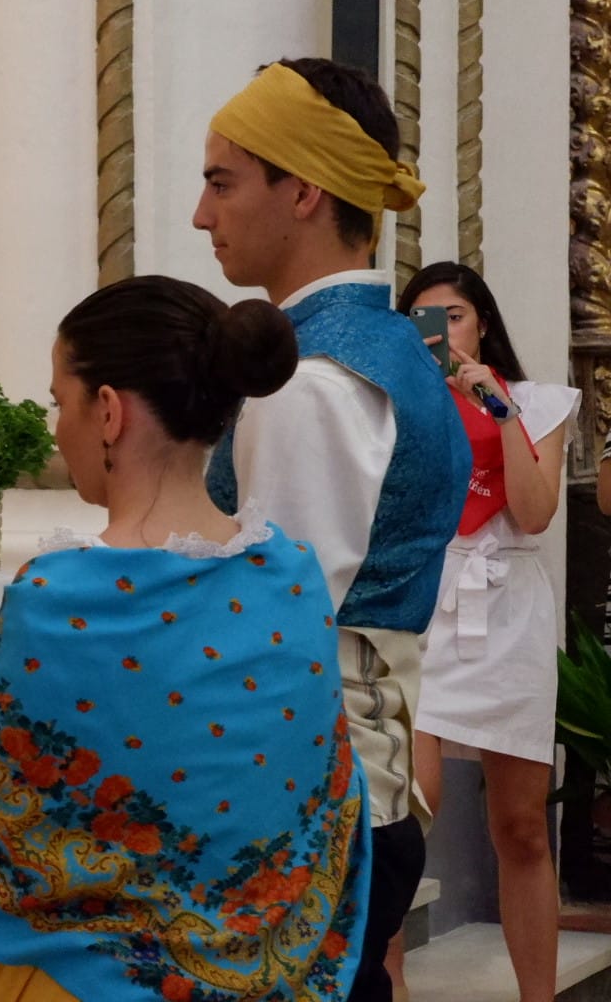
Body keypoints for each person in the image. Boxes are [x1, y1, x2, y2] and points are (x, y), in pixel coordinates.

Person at [0, 275, 371, 1001]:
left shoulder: (60, 603)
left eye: (60, 400)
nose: (57, 426)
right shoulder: (295, 582)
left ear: (108, 411)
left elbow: (14, 842)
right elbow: (320, 808)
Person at [196, 57, 472, 1002]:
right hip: (375, 790)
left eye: (222, 181)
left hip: (312, 806)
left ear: (303, 190)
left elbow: (276, 633)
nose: (204, 214)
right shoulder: (397, 347)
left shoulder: (308, 382)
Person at [397, 261, 574, 1002]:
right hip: (422, 603)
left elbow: (534, 514)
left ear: (483, 325)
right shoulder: (397, 407)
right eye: (422, 322)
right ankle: (391, 988)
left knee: (521, 825)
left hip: (505, 604)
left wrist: (498, 409)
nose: (441, 334)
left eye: (455, 317)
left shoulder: (534, 401)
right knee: (408, 812)